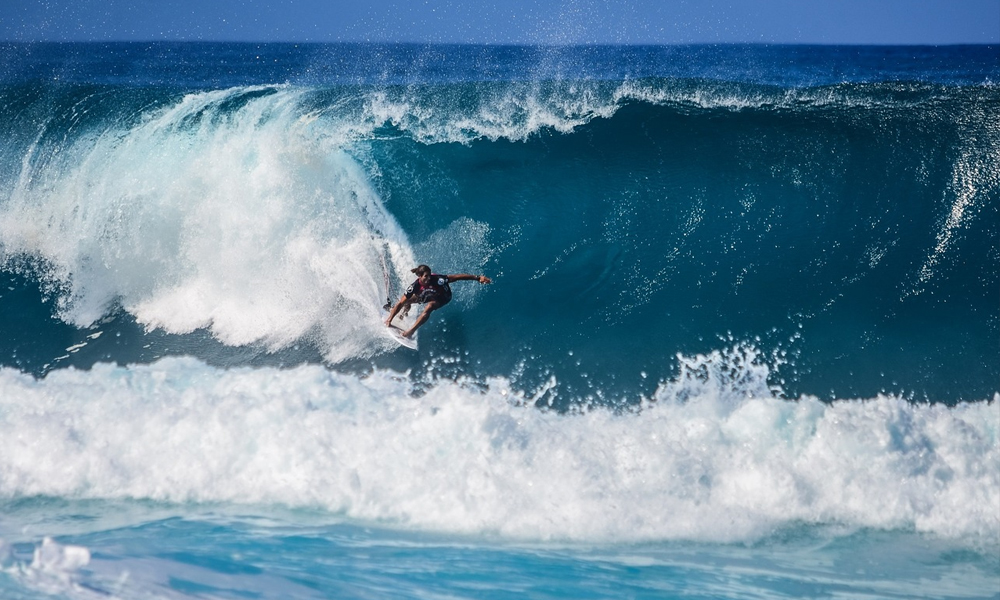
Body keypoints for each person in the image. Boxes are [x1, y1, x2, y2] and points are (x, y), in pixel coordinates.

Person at [384, 264, 492, 338]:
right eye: (426, 276)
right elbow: (401, 302)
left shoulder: (438, 280)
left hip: (443, 297)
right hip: (427, 294)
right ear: (419, 276)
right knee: (406, 301)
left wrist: (477, 278)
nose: (429, 278)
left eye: (429, 275)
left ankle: (411, 331)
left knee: (429, 307)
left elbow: (457, 277)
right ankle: (402, 315)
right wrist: (389, 319)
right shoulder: (414, 286)